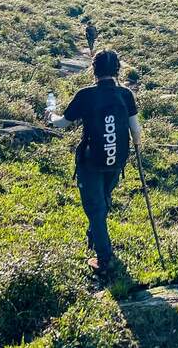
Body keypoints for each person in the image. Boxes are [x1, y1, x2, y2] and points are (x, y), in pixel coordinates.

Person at [45, 48, 141, 273]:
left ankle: (105, 258)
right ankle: (96, 234)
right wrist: (135, 146)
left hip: (91, 160)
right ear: (117, 69)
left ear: (93, 69)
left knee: (95, 207)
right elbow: (136, 131)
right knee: (104, 198)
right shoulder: (126, 94)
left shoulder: (86, 95)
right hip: (117, 158)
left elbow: (63, 123)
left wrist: (51, 116)